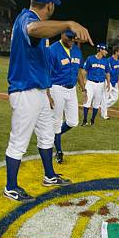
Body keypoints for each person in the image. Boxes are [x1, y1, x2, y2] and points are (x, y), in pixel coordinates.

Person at [4, 0, 92, 202]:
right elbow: (32, 29)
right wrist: (68, 24)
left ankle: (50, 176)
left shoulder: (38, 23)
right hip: (25, 90)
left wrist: (47, 91)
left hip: (40, 91)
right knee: (19, 141)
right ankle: (10, 187)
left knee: (47, 135)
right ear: (50, 5)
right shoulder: (28, 19)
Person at [49, 29, 84, 164]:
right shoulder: (53, 49)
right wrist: (47, 93)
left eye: (73, 38)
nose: (71, 41)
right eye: (68, 37)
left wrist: (83, 88)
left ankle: (53, 136)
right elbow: (47, 72)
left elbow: (79, 71)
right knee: (57, 122)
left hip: (72, 89)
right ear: (62, 34)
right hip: (57, 88)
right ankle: (58, 150)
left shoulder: (77, 51)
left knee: (72, 121)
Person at [81, 43, 111, 126]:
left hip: (100, 84)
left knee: (97, 103)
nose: (106, 52)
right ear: (100, 50)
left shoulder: (106, 61)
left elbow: (107, 73)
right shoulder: (90, 58)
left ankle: (92, 120)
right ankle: (84, 120)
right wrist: (83, 81)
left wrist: (108, 83)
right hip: (90, 83)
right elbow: (84, 71)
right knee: (87, 101)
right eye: (105, 50)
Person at [100, 45, 119, 120]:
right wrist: (108, 82)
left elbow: (118, 72)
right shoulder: (109, 60)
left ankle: (103, 106)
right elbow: (107, 72)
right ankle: (104, 115)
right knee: (105, 97)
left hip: (115, 83)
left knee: (115, 98)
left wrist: (118, 79)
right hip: (108, 82)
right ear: (116, 52)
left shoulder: (118, 62)